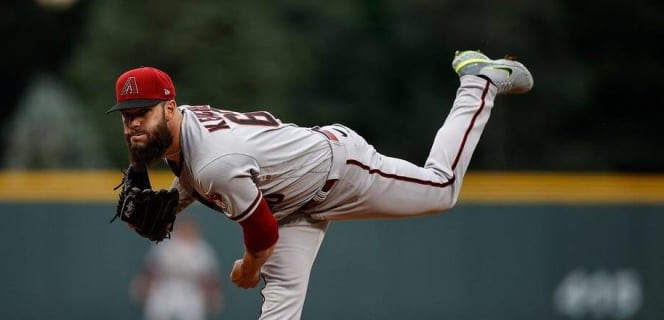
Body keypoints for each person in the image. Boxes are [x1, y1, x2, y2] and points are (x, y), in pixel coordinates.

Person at [105, 50, 533, 319]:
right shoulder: (184, 132)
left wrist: (249, 269)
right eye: (127, 116)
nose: (133, 124)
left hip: (339, 171)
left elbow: (261, 232)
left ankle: (477, 82)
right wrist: (173, 202)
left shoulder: (216, 161)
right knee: (280, 310)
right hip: (289, 203)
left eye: (143, 112)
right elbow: (200, 174)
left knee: (441, 190)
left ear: (170, 107)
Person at [131, 217, 223, 320]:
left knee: (194, 310)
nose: (186, 231)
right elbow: (150, 269)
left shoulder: (203, 250)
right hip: (165, 289)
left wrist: (214, 294)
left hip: (190, 292)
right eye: (183, 227)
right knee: (157, 308)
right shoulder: (164, 245)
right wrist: (142, 284)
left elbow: (210, 278)